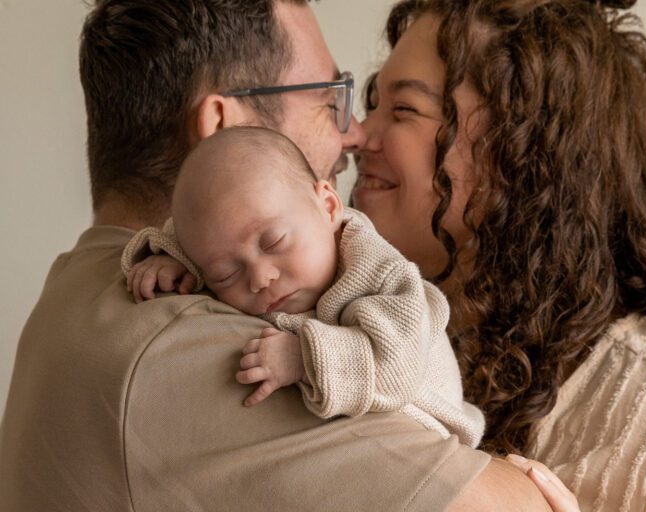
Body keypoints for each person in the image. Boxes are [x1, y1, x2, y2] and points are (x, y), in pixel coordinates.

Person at [0, 0, 567, 511]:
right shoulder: (194, 352)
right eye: (328, 101)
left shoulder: (86, 285)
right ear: (225, 125)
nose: (353, 135)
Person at [353, 0, 646, 510]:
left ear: (522, 148)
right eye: (372, 104)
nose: (356, 135)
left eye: (403, 110)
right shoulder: (396, 354)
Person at [121, 126, 485, 447]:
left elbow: (396, 371)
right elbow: (206, 231)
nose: (261, 278)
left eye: (274, 243)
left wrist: (303, 358)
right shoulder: (245, 236)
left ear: (328, 207)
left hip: (429, 425)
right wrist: (173, 261)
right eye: (225, 274)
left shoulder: (381, 274)